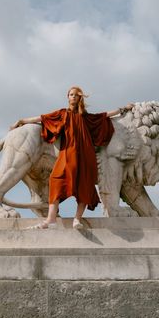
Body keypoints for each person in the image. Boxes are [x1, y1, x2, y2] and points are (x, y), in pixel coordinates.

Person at [11, 86, 134, 229]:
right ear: (67, 97)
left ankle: (77, 219)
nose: (73, 97)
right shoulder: (63, 114)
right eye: (71, 94)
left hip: (85, 155)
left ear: (80, 98)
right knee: (56, 180)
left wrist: (123, 109)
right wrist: (22, 121)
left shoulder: (86, 117)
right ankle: (51, 219)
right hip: (67, 154)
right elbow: (43, 118)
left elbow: (105, 116)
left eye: (76, 95)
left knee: (84, 185)